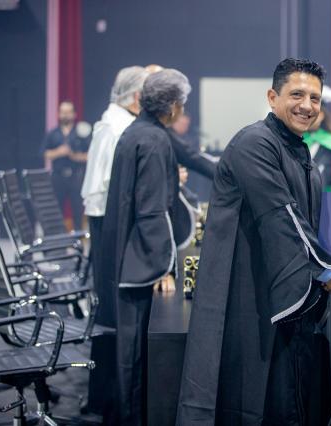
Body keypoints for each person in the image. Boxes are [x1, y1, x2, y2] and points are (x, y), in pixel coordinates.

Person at [177, 58, 331, 425]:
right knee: (253, 399)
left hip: (282, 287)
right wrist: (328, 272)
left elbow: (311, 219)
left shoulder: (296, 147)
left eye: (315, 98)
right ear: (272, 97)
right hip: (249, 291)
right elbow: (281, 215)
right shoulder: (255, 142)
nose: (307, 105)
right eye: (297, 95)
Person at [100, 68, 191, 425]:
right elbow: (152, 211)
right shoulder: (153, 141)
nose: (183, 110)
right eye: (182, 103)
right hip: (139, 266)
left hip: (126, 259)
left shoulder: (139, 132)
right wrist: (162, 267)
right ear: (172, 107)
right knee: (135, 357)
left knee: (130, 355)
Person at [80, 65, 149, 422]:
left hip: (103, 224)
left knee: (108, 318)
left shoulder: (110, 123)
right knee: (113, 319)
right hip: (111, 227)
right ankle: (108, 403)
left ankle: (102, 400)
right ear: (137, 97)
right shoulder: (123, 130)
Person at [42, 100, 90, 229]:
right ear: (59, 114)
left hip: (76, 176)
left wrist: (74, 156)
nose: (65, 115)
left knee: (78, 209)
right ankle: (59, 237)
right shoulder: (53, 133)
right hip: (58, 177)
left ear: (74, 114)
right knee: (57, 210)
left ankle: (78, 237)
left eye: (68, 112)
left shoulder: (81, 133)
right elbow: (44, 153)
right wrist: (59, 152)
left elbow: (90, 155)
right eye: (63, 112)